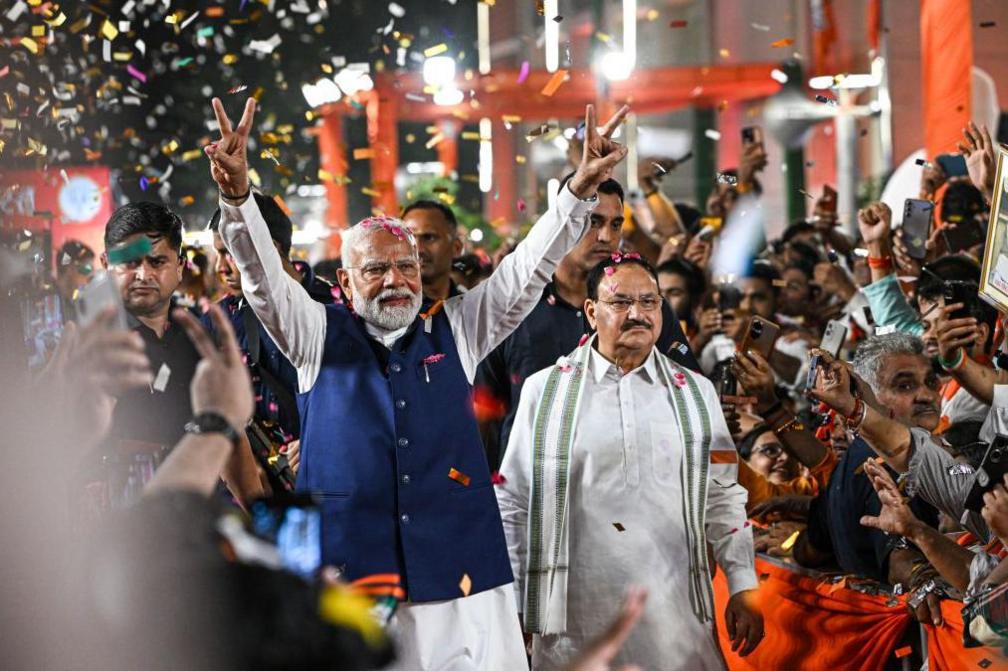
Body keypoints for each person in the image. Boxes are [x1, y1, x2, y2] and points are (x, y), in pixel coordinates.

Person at [205, 95, 631, 668]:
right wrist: (237, 199)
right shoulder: (311, 333)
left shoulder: (457, 327)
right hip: (347, 579)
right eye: (375, 269)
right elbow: (262, 283)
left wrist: (576, 195)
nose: (395, 281)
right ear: (344, 280)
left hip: (463, 580)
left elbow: (526, 271)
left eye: (405, 265)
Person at [497, 254, 762, 670]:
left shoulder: (697, 393)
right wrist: (512, 602)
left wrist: (744, 584)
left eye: (649, 302)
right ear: (591, 311)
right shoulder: (544, 392)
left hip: (677, 620)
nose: (636, 314)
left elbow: (723, 495)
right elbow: (512, 502)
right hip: (574, 624)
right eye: (620, 302)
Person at [476, 176, 699, 469]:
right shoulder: (514, 305)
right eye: (593, 222)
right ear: (563, 220)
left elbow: (688, 393)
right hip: (532, 494)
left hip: (626, 489)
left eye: (615, 224)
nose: (606, 236)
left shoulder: (646, 310)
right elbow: (483, 412)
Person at [794, 333, 945, 625]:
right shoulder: (881, 463)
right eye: (904, 385)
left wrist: (788, 538)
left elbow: (810, 551)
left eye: (930, 382)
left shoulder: (853, 462)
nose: (926, 395)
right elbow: (897, 553)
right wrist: (922, 578)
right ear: (863, 395)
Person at [208, 193, 334, 448]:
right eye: (217, 254)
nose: (220, 267)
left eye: (229, 253)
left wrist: (320, 444)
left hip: (329, 463)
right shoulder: (219, 320)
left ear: (267, 250)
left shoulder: (337, 305)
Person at [100, 202, 202, 449]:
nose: (143, 275)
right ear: (106, 266)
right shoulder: (91, 346)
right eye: (130, 263)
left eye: (156, 262)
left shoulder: (201, 338)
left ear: (179, 267)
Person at [401, 200, 464, 301]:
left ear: (456, 248)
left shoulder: (473, 308)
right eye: (408, 238)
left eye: (429, 237)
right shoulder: (381, 311)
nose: (417, 249)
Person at [53, 239, 95, 321]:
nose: (91, 278)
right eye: (87, 270)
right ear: (70, 269)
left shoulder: (76, 301)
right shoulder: (48, 306)